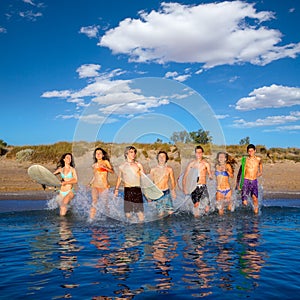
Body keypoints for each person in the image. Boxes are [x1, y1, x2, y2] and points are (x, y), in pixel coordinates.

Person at [114, 146, 145, 221]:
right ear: (126, 153)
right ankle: (133, 224)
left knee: (140, 212)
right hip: (127, 190)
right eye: (131, 152)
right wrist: (116, 189)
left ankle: (140, 228)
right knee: (127, 213)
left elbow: (144, 178)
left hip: (137, 189)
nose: (133, 154)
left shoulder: (138, 165)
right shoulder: (122, 166)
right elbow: (119, 178)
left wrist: (148, 192)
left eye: (134, 152)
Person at [183, 145, 213, 216]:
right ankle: (196, 222)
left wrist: (211, 176)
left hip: (203, 187)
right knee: (196, 205)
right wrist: (184, 188)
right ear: (195, 153)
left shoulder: (206, 164)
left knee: (207, 208)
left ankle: (204, 219)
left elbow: (209, 174)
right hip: (194, 187)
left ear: (202, 153)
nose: (198, 154)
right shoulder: (191, 164)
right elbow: (185, 176)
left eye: (200, 152)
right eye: (197, 152)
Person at [236, 144, 263, 214]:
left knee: (255, 198)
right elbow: (240, 173)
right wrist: (238, 184)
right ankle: (244, 213)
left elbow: (260, 164)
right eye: (249, 151)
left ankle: (256, 215)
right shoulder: (245, 160)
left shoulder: (258, 159)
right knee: (244, 202)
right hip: (246, 181)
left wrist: (260, 172)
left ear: (255, 151)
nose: (250, 153)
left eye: (252, 151)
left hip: (254, 181)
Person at [88, 147, 114, 219]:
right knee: (94, 202)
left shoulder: (106, 162)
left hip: (104, 186)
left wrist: (105, 168)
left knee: (105, 204)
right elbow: (95, 176)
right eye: (97, 153)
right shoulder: (94, 165)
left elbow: (112, 171)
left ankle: (109, 217)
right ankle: (91, 220)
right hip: (95, 186)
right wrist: (90, 183)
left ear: (103, 155)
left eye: (100, 153)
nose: (98, 154)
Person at [149, 151, 176, 216]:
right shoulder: (153, 170)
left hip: (166, 192)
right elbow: (150, 183)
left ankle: (169, 226)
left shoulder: (169, 169)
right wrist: (149, 196)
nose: (161, 158)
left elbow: (172, 181)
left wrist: (173, 191)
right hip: (157, 193)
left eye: (163, 156)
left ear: (166, 158)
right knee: (161, 214)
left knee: (170, 212)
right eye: (160, 156)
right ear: (157, 158)